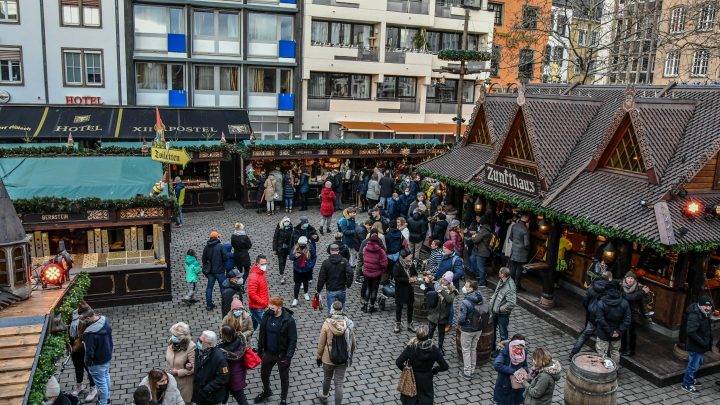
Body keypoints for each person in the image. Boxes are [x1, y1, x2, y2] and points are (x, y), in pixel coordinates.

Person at [255, 297, 298, 405]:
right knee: (264, 374)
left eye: (272, 308)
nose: (269, 309)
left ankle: (283, 399)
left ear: (279, 308)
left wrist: (288, 357)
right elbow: (262, 333)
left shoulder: (288, 320)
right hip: (268, 352)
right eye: (269, 307)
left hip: (282, 355)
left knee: (284, 378)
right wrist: (260, 350)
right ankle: (266, 391)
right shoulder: (267, 315)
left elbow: (293, 340)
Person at [395, 324, 449, 405]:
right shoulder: (434, 349)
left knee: (410, 400)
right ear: (427, 336)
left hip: (412, 377)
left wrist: (406, 371)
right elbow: (445, 366)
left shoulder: (411, 348)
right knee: (425, 398)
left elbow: (398, 362)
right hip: (426, 378)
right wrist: (434, 370)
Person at [316, 301, 356, 404]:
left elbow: (321, 343)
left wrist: (318, 356)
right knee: (339, 384)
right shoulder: (348, 324)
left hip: (328, 358)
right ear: (341, 310)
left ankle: (324, 395)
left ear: (332, 310)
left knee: (327, 378)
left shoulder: (327, 324)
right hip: (343, 358)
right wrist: (350, 355)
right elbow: (353, 343)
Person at [569, 270, 612, 359]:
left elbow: (585, 301)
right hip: (603, 318)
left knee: (584, 335)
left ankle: (573, 354)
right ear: (610, 279)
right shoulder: (610, 290)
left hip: (592, 315)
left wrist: (590, 309)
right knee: (602, 340)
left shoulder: (593, 286)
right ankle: (602, 360)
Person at [681, 295, 714, 393]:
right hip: (696, 346)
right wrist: (703, 342)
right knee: (693, 366)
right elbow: (690, 331)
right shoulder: (695, 314)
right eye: (705, 306)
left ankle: (691, 379)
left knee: (698, 363)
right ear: (700, 305)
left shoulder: (704, 313)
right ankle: (686, 384)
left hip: (700, 346)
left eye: (709, 306)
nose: (707, 308)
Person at [594, 281, 631, 366]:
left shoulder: (601, 303)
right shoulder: (624, 303)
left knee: (601, 353)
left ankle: (602, 370)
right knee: (615, 352)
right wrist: (618, 331)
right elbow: (627, 320)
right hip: (617, 333)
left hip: (603, 332)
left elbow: (600, 319)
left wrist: (609, 331)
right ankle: (615, 369)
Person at [81, 309, 113, 405]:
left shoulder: (90, 333)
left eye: (85, 320)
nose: (84, 323)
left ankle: (103, 402)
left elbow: (89, 351)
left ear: (88, 318)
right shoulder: (105, 321)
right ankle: (107, 398)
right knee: (106, 376)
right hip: (107, 355)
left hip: (97, 361)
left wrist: (87, 362)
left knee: (101, 383)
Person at [458, 280, 489, 379]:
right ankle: (472, 369)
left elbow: (462, 318)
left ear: (471, 289)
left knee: (466, 350)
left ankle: (467, 373)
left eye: (466, 286)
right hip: (479, 329)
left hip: (467, 330)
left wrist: (460, 323)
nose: (464, 287)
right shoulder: (482, 298)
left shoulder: (465, 302)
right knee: (473, 349)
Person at [192, 330, 229, 404]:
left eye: (201, 341)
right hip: (199, 393)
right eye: (199, 339)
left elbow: (223, 378)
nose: (198, 342)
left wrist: (207, 389)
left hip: (211, 396)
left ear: (210, 344)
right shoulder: (198, 351)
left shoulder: (219, 358)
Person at [620, 271, 650, 356]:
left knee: (632, 333)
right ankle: (623, 348)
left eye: (632, 278)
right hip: (623, 312)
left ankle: (631, 351)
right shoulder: (621, 286)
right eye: (628, 278)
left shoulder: (639, 287)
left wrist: (646, 293)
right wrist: (642, 292)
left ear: (634, 279)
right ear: (625, 278)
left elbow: (645, 300)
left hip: (633, 313)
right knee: (623, 331)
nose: (630, 280)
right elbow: (628, 297)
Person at [426, 271, 457, 352]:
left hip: (443, 316)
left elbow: (449, 300)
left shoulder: (453, 290)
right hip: (433, 314)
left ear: (449, 282)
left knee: (441, 333)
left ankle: (440, 347)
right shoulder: (437, 285)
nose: (443, 281)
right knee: (431, 331)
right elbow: (429, 293)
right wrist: (428, 283)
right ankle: (428, 345)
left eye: (445, 280)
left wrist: (441, 290)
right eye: (443, 279)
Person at [68, 301, 94, 399]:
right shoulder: (69, 312)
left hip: (83, 344)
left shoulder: (85, 309)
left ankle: (93, 387)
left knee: (87, 365)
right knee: (77, 365)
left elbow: (90, 314)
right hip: (73, 342)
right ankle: (79, 385)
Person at [493, 335, 529, 405]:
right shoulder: (504, 352)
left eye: (521, 349)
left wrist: (524, 371)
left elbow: (525, 365)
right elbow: (497, 365)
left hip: (517, 386)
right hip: (505, 385)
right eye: (517, 348)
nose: (519, 351)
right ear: (512, 345)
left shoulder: (524, 352)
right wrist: (514, 371)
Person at [317, 243, 354, 312]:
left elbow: (321, 278)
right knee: (341, 308)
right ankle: (342, 321)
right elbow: (350, 273)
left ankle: (331, 322)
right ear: (338, 251)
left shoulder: (326, 263)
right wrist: (348, 284)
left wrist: (319, 289)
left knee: (331, 310)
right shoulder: (344, 261)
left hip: (331, 289)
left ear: (330, 251)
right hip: (341, 289)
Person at [165, 322, 195, 404]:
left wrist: (178, 372)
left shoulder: (191, 347)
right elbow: (168, 360)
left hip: (184, 385)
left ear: (182, 337)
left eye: (175, 335)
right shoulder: (171, 342)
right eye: (172, 334)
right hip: (171, 380)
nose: (172, 337)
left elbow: (194, 368)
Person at [219, 325, 249, 405]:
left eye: (221, 333)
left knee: (241, 400)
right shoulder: (239, 342)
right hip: (237, 375)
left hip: (233, 378)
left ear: (226, 336)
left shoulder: (225, 351)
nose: (220, 335)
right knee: (225, 397)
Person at [489, 267, 517, 350]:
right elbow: (497, 293)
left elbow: (511, 303)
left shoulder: (510, 286)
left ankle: (503, 352)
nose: (498, 273)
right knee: (492, 330)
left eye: (499, 272)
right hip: (495, 312)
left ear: (503, 274)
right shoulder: (501, 281)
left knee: (503, 334)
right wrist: (492, 301)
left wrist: (499, 309)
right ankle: (492, 348)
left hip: (502, 315)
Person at [202, 230, 229, 311]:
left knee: (209, 288)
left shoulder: (207, 247)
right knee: (223, 287)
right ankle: (225, 303)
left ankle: (209, 305)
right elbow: (225, 257)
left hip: (210, 272)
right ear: (217, 237)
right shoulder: (220, 246)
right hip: (220, 271)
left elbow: (204, 259)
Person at [361, 233, 387, 313]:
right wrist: (382, 270)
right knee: (374, 289)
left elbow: (363, 258)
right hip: (376, 273)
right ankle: (371, 306)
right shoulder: (380, 251)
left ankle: (365, 305)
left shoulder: (365, 248)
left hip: (367, 272)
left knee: (368, 288)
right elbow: (384, 263)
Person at [393, 249, 418, 333]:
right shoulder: (397, 265)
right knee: (399, 306)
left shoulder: (411, 263)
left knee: (410, 306)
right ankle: (398, 323)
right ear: (404, 257)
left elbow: (415, 273)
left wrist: (414, 277)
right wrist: (408, 280)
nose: (411, 256)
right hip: (400, 289)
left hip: (409, 289)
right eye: (410, 255)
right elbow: (396, 278)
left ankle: (410, 324)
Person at [289, 236, 317, 306]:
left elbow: (314, 257)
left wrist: (311, 265)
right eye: (300, 245)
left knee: (305, 282)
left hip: (306, 269)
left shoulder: (310, 248)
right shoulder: (295, 248)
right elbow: (291, 257)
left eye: (303, 245)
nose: (301, 246)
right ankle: (295, 298)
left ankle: (305, 293)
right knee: (297, 284)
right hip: (297, 269)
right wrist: (295, 256)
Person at [247, 255, 270, 329]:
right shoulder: (254, 277)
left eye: (265, 264)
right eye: (262, 264)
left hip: (259, 306)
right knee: (267, 327)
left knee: (252, 326)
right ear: (257, 264)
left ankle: (245, 338)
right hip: (258, 307)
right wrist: (263, 302)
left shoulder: (261, 272)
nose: (264, 266)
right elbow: (252, 294)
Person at [509, 214, 531, 290]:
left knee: (513, 268)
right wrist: (529, 250)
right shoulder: (525, 229)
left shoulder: (514, 226)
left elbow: (511, 237)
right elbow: (526, 244)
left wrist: (516, 243)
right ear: (526, 218)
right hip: (522, 252)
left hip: (514, 249)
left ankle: (510, 284)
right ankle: (517, 285)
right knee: (519, 269)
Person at [471, 215, 493, 286]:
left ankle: (482, 281)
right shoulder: (488, 229)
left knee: (480, 267)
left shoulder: (483, 230)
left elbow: (476, 240)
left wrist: (473, 237)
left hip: (482, 251)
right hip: (482, 250)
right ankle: (480, 276)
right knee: (473, 260)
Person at [272, 217, 294, 285]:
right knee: (281, 262)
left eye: (288, 221)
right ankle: (282, 275)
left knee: (284, 261)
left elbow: (292, 239)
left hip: (287, 248)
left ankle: (282, 272)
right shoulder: (279, 227)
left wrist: (292, 249)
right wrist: (274, 249)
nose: (287, 222)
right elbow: (275, 238)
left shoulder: (290, 228)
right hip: (280, 248)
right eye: (286, 221)